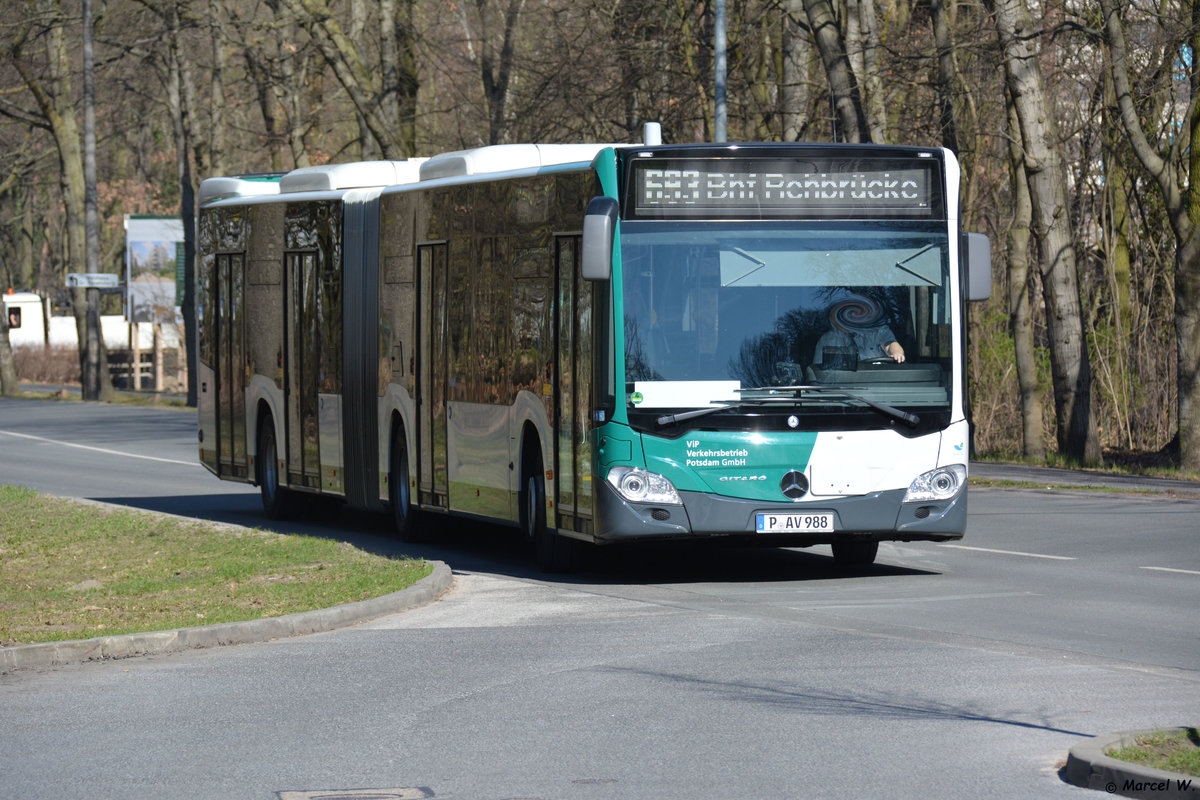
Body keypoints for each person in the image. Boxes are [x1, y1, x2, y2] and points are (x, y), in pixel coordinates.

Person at [812, 317, 905, 366]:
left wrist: (897, 354)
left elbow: (890, 344)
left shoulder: (878, 331)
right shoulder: (828, 339)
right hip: (844, 392)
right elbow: (818, 372)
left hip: (879, 389)